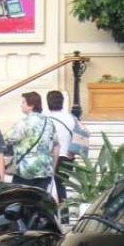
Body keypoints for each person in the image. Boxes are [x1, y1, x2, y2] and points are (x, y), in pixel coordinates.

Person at [5, 91, 58, 192]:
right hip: (45, 169)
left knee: (20, 199)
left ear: (31, 105)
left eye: (23, 102)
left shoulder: (24, 122)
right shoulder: (49, 122)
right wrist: (53, 167)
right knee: (38, 200)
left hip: (26, 169)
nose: (21, 105)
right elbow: (56, 146)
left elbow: (8, 139)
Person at [45, 90, 76, 221]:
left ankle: (50, 217)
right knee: (62, 188)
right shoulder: (71, 118)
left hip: (52, 157)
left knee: (49, 188)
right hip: (68, 156)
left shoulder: (46, 119)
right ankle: (65, 218)